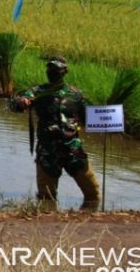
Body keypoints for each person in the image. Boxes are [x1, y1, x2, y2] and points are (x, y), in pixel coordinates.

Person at [11, 56, 99, 211]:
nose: (52, 72)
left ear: (65, 71)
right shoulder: (38, 92)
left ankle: (86, 222)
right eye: (50, 68)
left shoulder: (75, 95)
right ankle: (49, 229)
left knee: (93, 194)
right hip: (48, 151)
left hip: (73, 149)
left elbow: (89, 119)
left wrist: (109, 120)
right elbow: (15, 106)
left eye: (56, 69)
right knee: (46, 199)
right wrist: (20, 102)